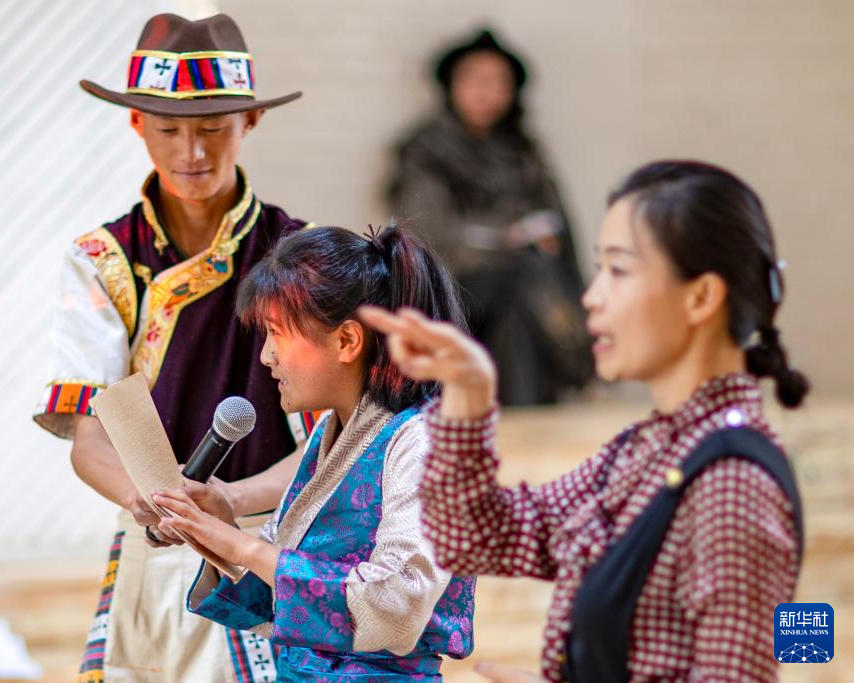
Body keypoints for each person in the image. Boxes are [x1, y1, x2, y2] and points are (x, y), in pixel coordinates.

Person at [363, 160, 807, 682]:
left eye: (618, 271)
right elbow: (476, 537)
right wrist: (468, 392)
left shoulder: (732, 484)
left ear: (701, 297)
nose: (592, 298)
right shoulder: (651, 448)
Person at [32, 13, 313, 683]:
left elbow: (334, 438)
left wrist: (231, 501)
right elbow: (90, 437)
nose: (191, 151)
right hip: (157, 536)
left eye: (213, 128)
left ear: (249, 121)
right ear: (136, 123)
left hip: (279, 536)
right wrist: (148, 501)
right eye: (167, 129)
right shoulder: (103, 260)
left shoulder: (301, 256)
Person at [151, 226, 476, 681]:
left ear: (346, 341)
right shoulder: (332, 430)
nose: (266, 357)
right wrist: (218, 528)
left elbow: (398, 605)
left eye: (277, 334)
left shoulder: (428, 441)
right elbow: (280, 589)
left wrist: (242, 546)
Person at [389, 28, 592, 405]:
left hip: (517, 289)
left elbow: (559, 227)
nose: (488, 92)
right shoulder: (426, 150)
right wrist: (509, 240)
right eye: (476, 80)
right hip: (454, 289)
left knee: (516, 304)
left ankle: (519, 414)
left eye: (500, 83)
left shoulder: (522, 152)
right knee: (521, 272)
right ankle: (582, 363)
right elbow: (430, 234)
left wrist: (543, 240)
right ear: (452, 85)